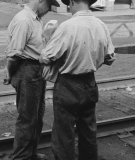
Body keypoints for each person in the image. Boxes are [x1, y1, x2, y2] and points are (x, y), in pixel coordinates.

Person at [39, 0, 116, 159]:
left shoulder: (67, 26)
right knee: (88, 133)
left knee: (64, 136)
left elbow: (46, 57)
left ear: (72, 1)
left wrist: (47, 38)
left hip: (68, 85)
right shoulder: (101, 25)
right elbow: (110, 58)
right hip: (90, 83)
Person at [3, 0, 60, 159]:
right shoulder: (24, 20)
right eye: (48, 6)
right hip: (27, 69)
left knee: (36, 116)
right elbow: (14, 55)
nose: (48, 10)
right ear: (41, 1)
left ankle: (31, 154)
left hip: (36, 70)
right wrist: (10, 74)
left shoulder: (35, 19)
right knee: (27, 118)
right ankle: (21, 157)